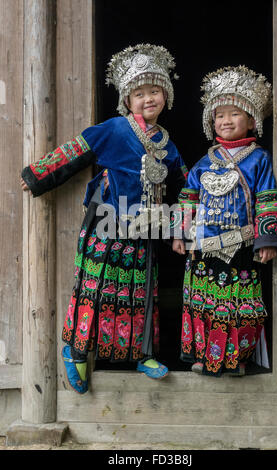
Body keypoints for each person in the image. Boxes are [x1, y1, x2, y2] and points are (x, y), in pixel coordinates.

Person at [20, 44, 188, 393]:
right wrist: (39, 175)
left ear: (166, 96)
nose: (148, 99)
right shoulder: (114, 129)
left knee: (141, 293)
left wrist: (181, 229)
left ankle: (144, 354)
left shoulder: (169, 146)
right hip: (107, 225)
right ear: (127, 100)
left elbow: (185, 188)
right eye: (139, 94)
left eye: (154, 91)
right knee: (95, 291)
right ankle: (77, 350)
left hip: (145, 231)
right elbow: (77, 150)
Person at [172, 66, 277, 377]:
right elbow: (187, 199)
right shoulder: (203, 163)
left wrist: (268, 239)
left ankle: (236, 360)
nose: (226, 120)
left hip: (242, 246)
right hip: (204, 247)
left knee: (237, 305)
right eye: (219, 114)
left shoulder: (259, 160)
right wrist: (180, 233)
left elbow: (268, 198)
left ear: (252, 121)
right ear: (211, 122)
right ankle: (203, 356)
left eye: (235, 113)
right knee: (203, 303)